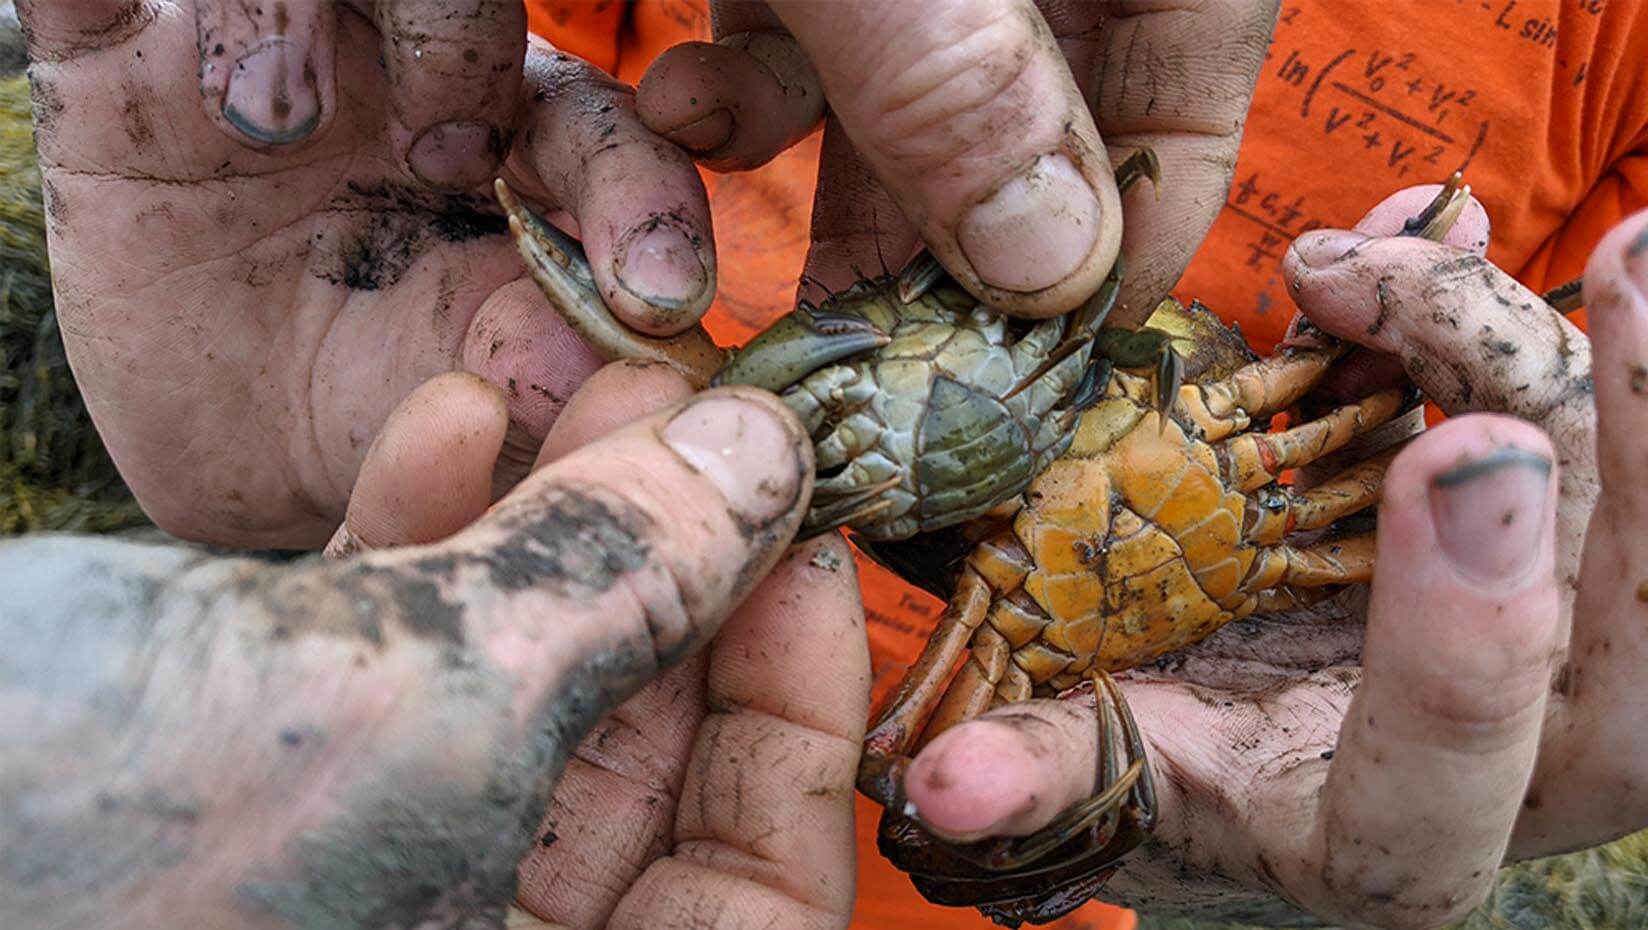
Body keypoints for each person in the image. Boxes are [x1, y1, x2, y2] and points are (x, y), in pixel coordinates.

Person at [3, 3, 1645, 930]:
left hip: (1038, 705)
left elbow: (1504, 397)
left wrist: (1547, 623)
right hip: (496, 700)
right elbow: (530, 107)